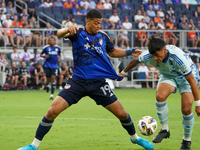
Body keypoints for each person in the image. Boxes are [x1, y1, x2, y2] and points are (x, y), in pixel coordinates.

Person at [17, 9, 154, 150]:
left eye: (100, 23)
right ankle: (34, 145)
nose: (98, 26)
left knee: (122, 114)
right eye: (96, 23)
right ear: (87, 21)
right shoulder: (77, 33)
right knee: (52, 111)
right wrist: (66, 29)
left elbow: (112, 52)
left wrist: (130, 52)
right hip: (78, 81)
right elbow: (58, 34)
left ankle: (135, 138)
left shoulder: (103, 36)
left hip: (98, 83)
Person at [118, 35, 200, 150]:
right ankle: (165, 130)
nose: (156, 58)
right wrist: (123, 72)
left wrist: (198, 104)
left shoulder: (177, 57)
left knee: (186, 109)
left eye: (158, 55)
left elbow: (191, 80)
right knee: (159, 96)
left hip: (185, 77)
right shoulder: (148, 55)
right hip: (168, 75)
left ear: (164, 49)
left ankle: (186, 141)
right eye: (154, 56)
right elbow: (135, 61)